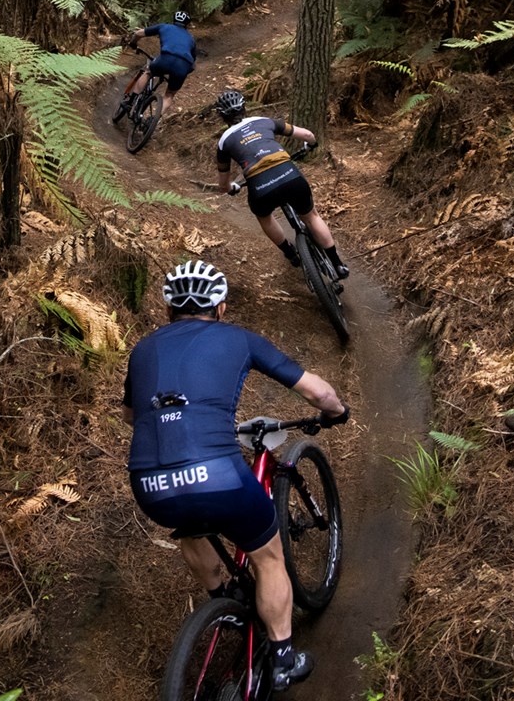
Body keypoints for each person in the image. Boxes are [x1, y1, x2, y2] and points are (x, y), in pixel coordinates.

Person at [120, 260, 351, 692]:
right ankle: (283, 656)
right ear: (221, 307)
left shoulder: (143, 349)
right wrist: (336, 411)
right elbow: (317, 392)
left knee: (191, 529)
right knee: (268, 556)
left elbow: (134, 416)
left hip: (149, 484)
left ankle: (224, 603)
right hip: (219, 476)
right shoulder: (238, 339)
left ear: (168, 308)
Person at [212, 89, 349, 278]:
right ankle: (338, 264)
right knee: (311, 216)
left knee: (265, 217)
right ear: (244, 108)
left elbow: (223, 184)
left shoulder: (223, 142)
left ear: (222, 116)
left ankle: (290, 253)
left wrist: (232, 188)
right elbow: (308, 134)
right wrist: (312, 145)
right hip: (290, 176)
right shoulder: (264, 121)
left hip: (260, 187)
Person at [116, 10, 197, 123]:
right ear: (187, 25)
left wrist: (133, 43)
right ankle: (153, 120)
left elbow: (138, 33)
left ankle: (131, 102)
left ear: (173, 20)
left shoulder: (164, 27)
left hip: (165, 58)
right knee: (169, 95)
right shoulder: (191, 39)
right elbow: (193, 62)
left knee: (148, 72)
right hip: (183, 65)